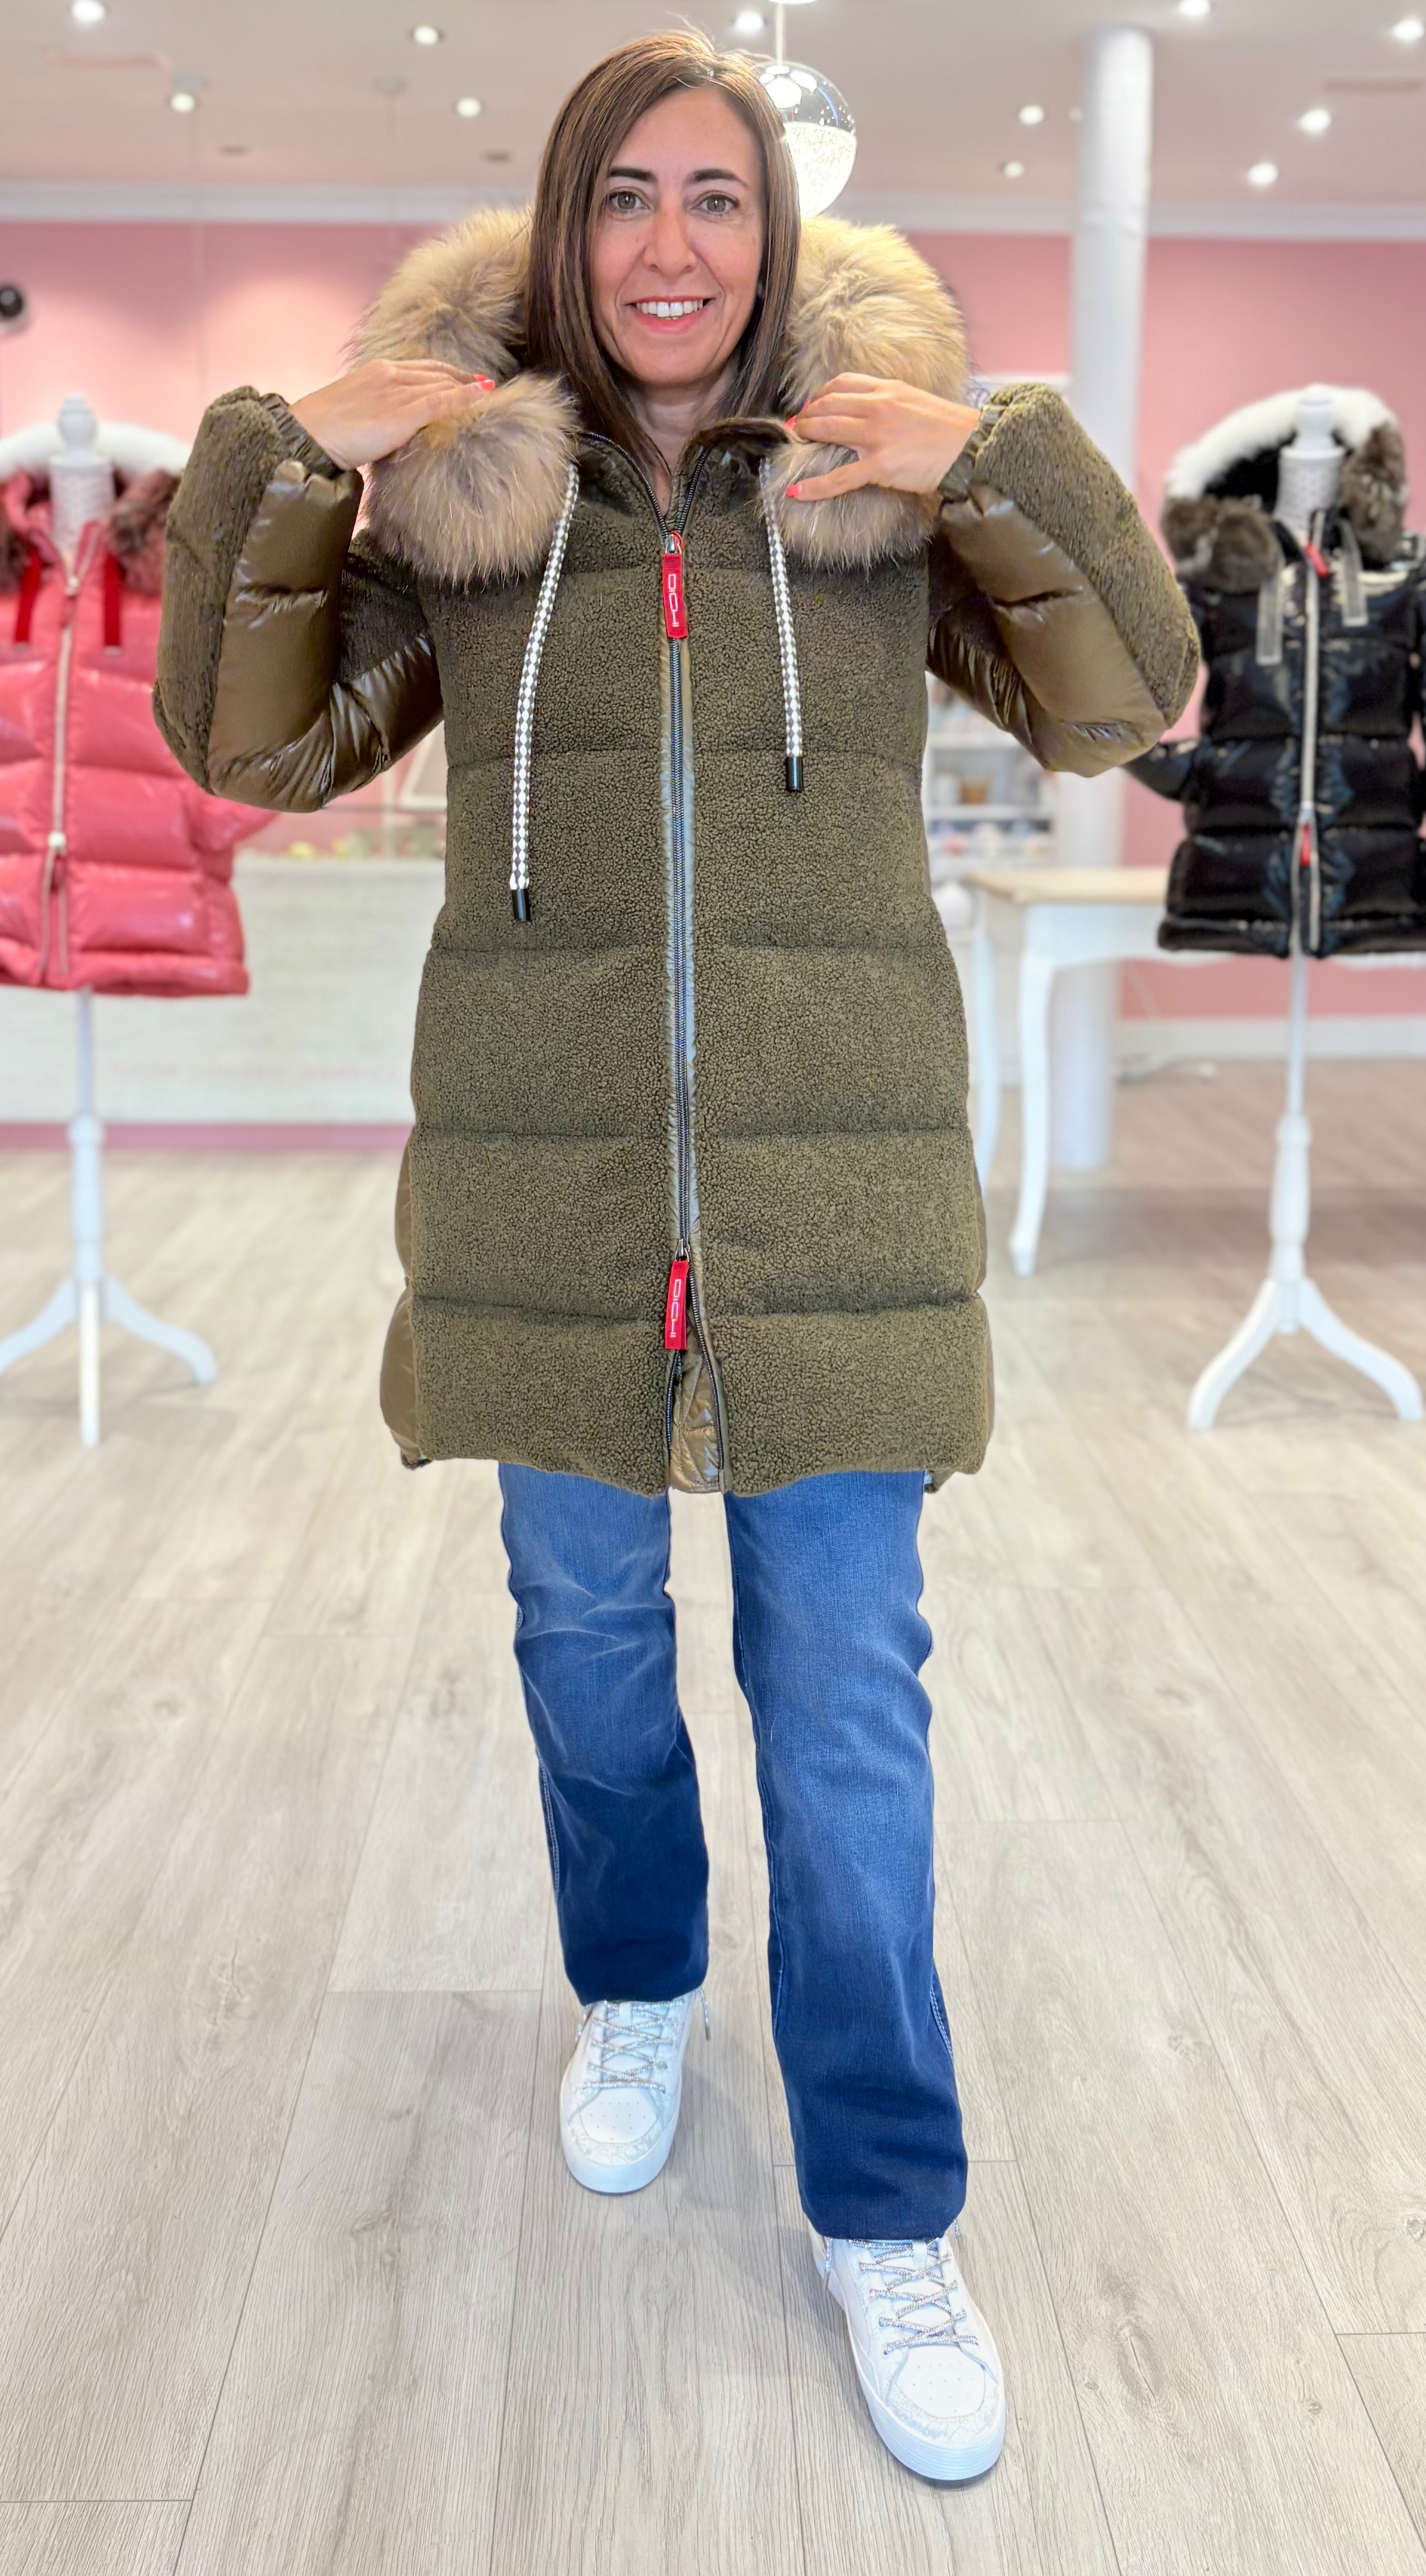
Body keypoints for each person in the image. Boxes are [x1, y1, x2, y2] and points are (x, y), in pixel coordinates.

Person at [157, 31, 1195, 2485]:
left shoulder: (869, 487)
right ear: (563, 225)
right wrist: (287, 461)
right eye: (625, 194)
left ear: (778, 231)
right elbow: (248, 745)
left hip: (839, 1204)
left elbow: (1132, 698)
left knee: (844, 1702)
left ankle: (887, 2204)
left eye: (717, 196)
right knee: (587, 1648)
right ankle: (634, 1982)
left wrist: (998, 458)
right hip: (553, 1193)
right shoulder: (467, 499)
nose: (670, 243)